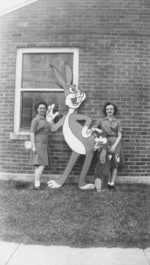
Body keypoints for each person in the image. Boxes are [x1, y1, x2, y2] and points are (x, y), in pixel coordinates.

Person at [92, 102, 124, 190]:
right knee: (106, 163)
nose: (109, 110)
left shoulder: (117, 121)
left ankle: (112, 183)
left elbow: (120, 135)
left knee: (115, 163)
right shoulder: (101, 120)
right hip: (105, 143)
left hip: (115, 143)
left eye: (111, 109)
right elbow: (92, 129)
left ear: (114, 110)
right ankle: (106, 182)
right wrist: (97, 129)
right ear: (105, 111)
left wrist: (114, 146)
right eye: (107, 109)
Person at [30, 101, 52, 190]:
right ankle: (37, 183)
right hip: (38, 144)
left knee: (38, 165)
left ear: (46, 110)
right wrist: (33, 146)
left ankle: (37, 184)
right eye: (40, 108)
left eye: (44, 108)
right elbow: (32, 133)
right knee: (42, 164)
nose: (42, 110)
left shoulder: (45, 119)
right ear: (37, 109)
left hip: (44, 144)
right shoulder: (35, 120)